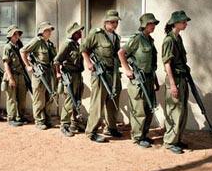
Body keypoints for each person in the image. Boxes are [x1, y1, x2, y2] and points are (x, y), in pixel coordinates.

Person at [118, 13, 160, 148]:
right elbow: (121, 53)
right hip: (138, 80)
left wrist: (155, 81)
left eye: (154, 24)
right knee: (139, 108)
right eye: (150, 24)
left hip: (148, 78)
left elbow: (151, 63)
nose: (153, 26)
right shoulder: (137, 39)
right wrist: (127, 70)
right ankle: (137, 137)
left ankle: (144, 135)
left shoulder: (150, 40)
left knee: (149, 107)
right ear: (144, 25)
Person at [81, 10, 123, 143]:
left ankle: (111, 127)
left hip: (113, 73)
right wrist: (88, 63)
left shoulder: (116, 37)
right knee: (97, 103)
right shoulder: (96, 34)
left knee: (113, 100)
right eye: (112, 22)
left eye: (116, 22)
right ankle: (91, 131)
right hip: (100, 73)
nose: (114, 24)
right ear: (105, 22)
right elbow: (84, 49)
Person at [162, 10, 192, 154]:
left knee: (182, 111)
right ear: (175, 23)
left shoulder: (178, 38)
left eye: (185, 21)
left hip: (182, 78)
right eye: (183, 21)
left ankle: (177, 139)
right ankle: (169, 141)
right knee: (174, 111)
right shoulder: (169, 40)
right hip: (175, 79)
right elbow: (167, 63)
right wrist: (173, 84)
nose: (185, 24)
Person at [20, 21, 57, 130]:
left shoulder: (49, 43)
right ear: (42, 31)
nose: (50, 32)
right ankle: (39, 120)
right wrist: (28, 66)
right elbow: (23, 51)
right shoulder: (37, 41)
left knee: (49, 96)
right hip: (39, 73)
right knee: (39, 98)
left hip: (49, 72)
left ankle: (47, 118)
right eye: (47, 30)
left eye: (50, 30)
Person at [54, 22, 85, 137]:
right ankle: (64, 125)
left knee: (77, 99)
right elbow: (57, 61)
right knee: (69, 100)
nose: (80, 33)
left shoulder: (76, 44)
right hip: (69, 76)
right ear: (74, 33)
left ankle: (75, 123)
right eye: (78, 32)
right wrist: (58, 73)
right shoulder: (67, 44)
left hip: (77, 75)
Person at [2, 25, 28, 127]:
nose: (18, 36)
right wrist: (10, 78)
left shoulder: (19, 46)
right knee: (11, 98)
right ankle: (11, 118)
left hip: (21, 75)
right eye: (15, 34)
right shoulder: (7, 47)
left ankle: (20, 116)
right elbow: (6, 64)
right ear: (11, 35)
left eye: (18, 34)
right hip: (12, 75)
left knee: (22, 97)